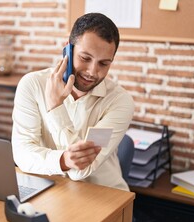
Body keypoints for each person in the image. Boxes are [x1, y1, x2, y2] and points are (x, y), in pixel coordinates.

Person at [12, 12, 134, 191]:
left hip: (104, 195)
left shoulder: (119, 102)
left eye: (103, 64)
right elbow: (22, 155)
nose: (92, 71)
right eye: (85, 58)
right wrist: (63, 161)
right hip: (51, 190)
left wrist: (56, 108)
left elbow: (80, 171)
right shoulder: (32, 85)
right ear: (68, 49)